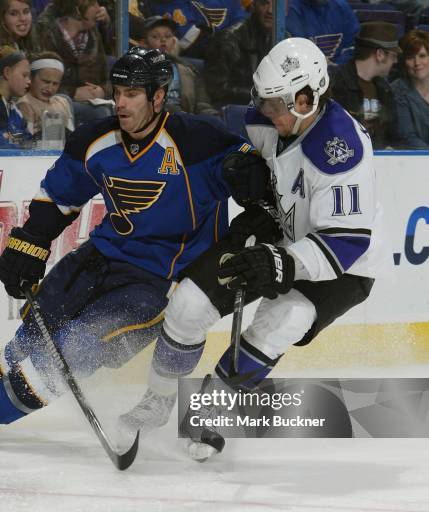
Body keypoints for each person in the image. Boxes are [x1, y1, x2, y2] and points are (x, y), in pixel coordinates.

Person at [119, 37, 389, 461]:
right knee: (189, 304)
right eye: (263, 101)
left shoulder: (341, 150)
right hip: (280, 232)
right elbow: (221, 142)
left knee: (283, 319)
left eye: (276, 103)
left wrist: (282, 261)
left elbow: (346, 241)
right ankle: (158, 399)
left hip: (340, 265)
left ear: (306, 98)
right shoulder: (270, 119)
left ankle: (212, 405)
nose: (265, 112)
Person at [0, 46, 259, 430]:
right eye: (117, 92)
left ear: (157, 96)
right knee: (28, 341)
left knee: (77, 348)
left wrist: (252, 177)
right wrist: (29, 243)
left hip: (156, 281)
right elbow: (59, 197)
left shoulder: (200, 143)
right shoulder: (95, 141)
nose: (120, 103)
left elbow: (252, 168)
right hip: (97, 259)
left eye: (132, 94)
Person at [36, 0, 114, 125]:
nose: (99, 8)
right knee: (100, 113)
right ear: (78, 10)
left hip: (93, 103)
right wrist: (73, 93)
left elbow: (108, 79)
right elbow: (38, 83)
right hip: (54, 103)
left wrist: (102, 91)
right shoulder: (46, 35)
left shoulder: (94, 36)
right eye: (93, 4)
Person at [329, 21, 401, 149]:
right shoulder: (335, 84)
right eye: (393, 56)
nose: (395, 61)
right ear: (380, 54)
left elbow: (393, 135)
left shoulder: (384, 89)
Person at [137, 15, 218, 115]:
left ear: (174, 41)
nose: (163, 40)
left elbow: (202, 104)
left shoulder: (189, 70)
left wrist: (211, 117)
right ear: (143, 43)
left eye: (168, 36)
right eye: (155, 36)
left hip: (185, 122)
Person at [204, 0, 273, 108]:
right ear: (253, 5)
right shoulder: (227, 41)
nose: (270, 10)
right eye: (264, 3)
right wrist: (260, 96)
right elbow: (217, 90)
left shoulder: (287, 41)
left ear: (286, 9)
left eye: (276, 5)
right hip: (236, 114)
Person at [17, 51, 75, 141]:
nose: (50, 88)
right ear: (31, 78)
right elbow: (27, 140)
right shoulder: (26, 104)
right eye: (46, 81)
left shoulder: (63, 102)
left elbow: (72, 135)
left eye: (55, 84)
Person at [285, 0, 360, 65]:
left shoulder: (342, 7)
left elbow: (350, 45)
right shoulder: (292, 9)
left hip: (339, 74)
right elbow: (297, 51)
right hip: (306, 74)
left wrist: (337, 66)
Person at [391, 29, 429, 149]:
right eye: (410, 57)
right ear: (403, 61)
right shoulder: (398, 90)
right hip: (415, 160)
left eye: (422, 56)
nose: (417, 63)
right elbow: (408, 137)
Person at [0, 45, 32, 147]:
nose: (29, 81)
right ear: (7, 72)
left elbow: (25, 138)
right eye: (24, 75)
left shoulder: (13, 109)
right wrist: (18, 140)